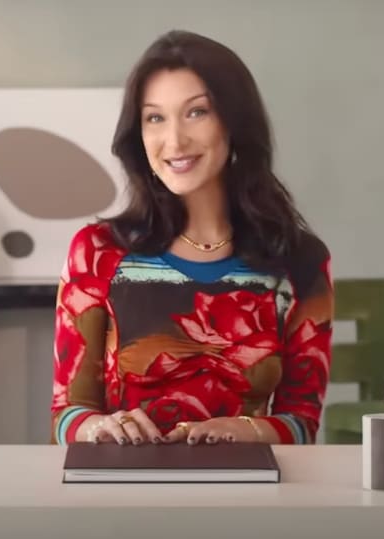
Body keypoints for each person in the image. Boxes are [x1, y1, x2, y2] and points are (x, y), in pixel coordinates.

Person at [51, 30, 333, 446]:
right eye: (154, 117)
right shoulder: (96, 252)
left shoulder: (300, 260)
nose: (175, 140)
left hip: (248, 496)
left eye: (197, 112)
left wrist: (247, 429)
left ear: (234, 122)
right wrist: (96, 426)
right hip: (121, 494)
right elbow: (66, 415)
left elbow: (302, 421)